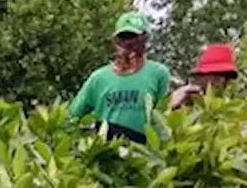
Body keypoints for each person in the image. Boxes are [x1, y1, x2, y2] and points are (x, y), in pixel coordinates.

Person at [67, 11, 173, 144]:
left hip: (143, 155)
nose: (127, 43)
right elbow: (70, 117)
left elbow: (164, 117)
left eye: (133, 37)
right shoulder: (98, 78)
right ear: (115, 41)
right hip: (108, 151)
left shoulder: (158, 74)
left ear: (145, 39)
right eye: (123, 37)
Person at [169, 43, 240, 108]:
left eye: (225, 79)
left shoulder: (227, 108)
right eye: (216, 78)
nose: (217, 84)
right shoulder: (182, 96)